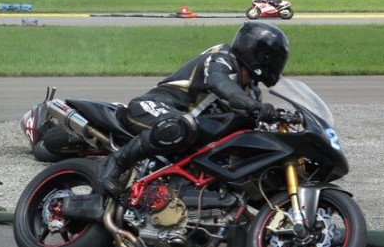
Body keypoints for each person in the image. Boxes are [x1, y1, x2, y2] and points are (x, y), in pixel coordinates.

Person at [96, 22, 289, 196]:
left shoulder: (252, 93)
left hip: (190, 131)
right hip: (153, 106)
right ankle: (114, 164)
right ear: (259, 53)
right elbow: (219, 83)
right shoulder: (221, 58)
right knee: (178, 126)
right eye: (274, 58)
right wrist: (256, 108)